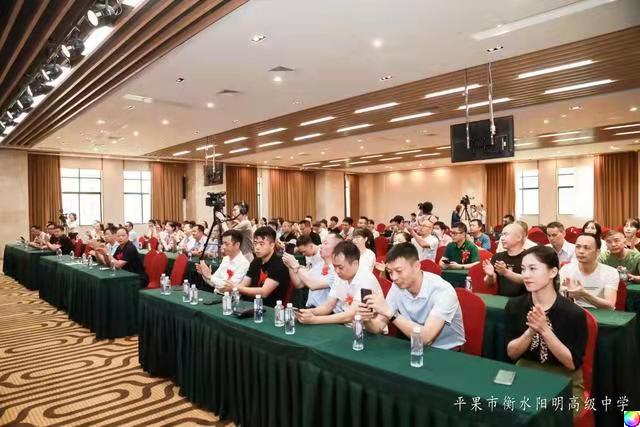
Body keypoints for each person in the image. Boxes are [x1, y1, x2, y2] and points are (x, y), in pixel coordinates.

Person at [505, 246, 587, 408]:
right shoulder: (515, 306)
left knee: (550, 414)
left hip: (564, 379)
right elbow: (512, 353)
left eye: (533, 269)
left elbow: (571, 363)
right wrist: (531, 331)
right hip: (526, 372)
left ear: (553, 272)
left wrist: (544, 329)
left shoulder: (573, 313)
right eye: (523, 269)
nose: (526, 275)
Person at [359, 243, 465, 350]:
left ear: (416, 266)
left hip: (447, 350)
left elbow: (426, 338)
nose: (394, 278)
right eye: (390, 272)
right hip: (414, 344)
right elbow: (377, 327)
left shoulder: (443, 290)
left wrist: (391, 314)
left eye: (399, 271)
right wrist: (367, 319)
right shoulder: (397, 286)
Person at [295, 241, 381, 325]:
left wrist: (315, 320)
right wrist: (307, 312)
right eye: (335, 267)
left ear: (355, 263)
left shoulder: (366, 279)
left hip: (362, 327)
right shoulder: (340, 276)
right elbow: (328, 306)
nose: (337, 271)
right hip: (344, 322)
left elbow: (351, 315)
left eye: (340, 267)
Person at [221, 226, 288, 307]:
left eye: (261, 244)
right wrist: (232, 287)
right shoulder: (256, 261)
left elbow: (264, 292)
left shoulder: (279, 263)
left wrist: (236, 288)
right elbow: (245, 282)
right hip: (250, 304)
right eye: (255, 243)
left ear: (272, 245)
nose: (257, 247)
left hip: (269, 308)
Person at [559, 233, 618, 310]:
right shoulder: (566, 269)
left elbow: (610, 306)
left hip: (600, 313)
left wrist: (584, 294)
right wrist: (567, 295)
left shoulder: (611, 272)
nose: (581, 251)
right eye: (578, 247)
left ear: (598, 252)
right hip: (574, 311)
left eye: (586, 248)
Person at [283, 233, 341, 309]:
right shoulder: (319, 266)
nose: (321, 246)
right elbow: (299, 284)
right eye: (322, 243)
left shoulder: (338, 270)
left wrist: (296, 266)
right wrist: (290, 267)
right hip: (311, 309)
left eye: (325, 243)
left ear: (337, 248)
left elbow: (313, 285)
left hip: (324, 312)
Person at [483, 223, 526, 297]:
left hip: (524, 300)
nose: (502, 238)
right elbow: (489, 284)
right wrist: (490, 276)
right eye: (502, 235)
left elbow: (527, 279)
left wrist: (506, 272)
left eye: (506, 234)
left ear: (518, 237)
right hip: (502, 299)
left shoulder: (529, 256)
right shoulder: (498, 256)